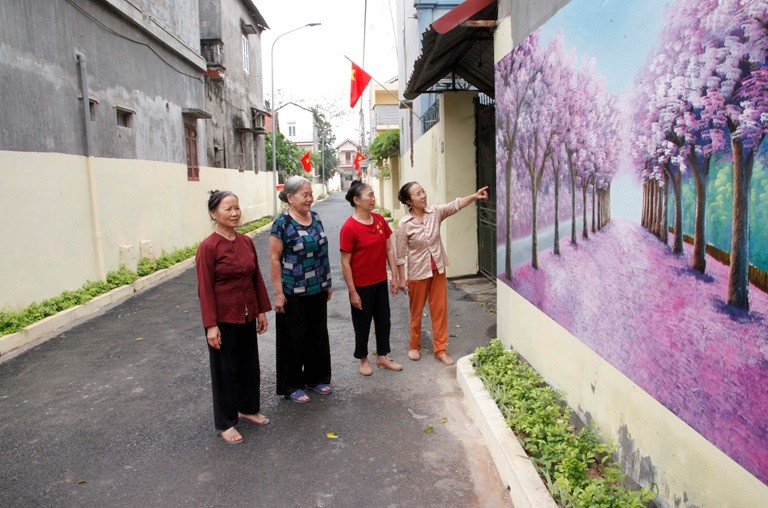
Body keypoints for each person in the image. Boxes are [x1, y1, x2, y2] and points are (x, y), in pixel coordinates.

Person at [195, 190, 272, 445]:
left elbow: (255, 278)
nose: (235, 213)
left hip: (247, 313)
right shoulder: (208, 247)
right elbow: (205, 289)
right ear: (213, 214)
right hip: (223, 318)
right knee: (224, 371)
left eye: (237, 207)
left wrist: (260, 309)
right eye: (228, 209)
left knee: (249, 364)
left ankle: (248, 408)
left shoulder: (246, 242)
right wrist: (211, 325)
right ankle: (226, 422)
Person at [395, 182, 489, 366]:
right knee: (416, 311)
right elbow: (400, 255)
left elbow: (455, 205)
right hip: (417, 273)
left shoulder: (435, 213)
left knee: (439, 310)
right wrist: (401, 278)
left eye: (423, 191)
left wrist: (474, 196)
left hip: (438, 268)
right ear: (409, 201)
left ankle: (440, 349)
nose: (423, 196)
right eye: (417, 194)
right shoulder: (404, 225)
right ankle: (414, 345)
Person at [269, 176, 333, 403]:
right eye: (305, 194)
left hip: (317, 288)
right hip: (292, 291)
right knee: (293, 339)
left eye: (310, 194)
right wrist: (278, 293)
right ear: (290, 197)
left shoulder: (315, 218)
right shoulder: (282, 224)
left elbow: (322, 252)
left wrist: (327, 283)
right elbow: (274, 259)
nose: (310, 198)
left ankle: (316, 378)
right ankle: (292, 385)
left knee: (317, 335)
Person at [340, 180, 403, 376]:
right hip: (361, 286)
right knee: (362, 323)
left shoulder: (379, 220)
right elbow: (345, 263)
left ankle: (383, 356)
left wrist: (394, 277)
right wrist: (352, 292)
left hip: (379, 281)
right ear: (357, 200)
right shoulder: (349, 227)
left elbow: (389, 249)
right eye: (369, 195)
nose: (373, 198)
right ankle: (363, 359)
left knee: (384, 320)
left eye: (373, 195)